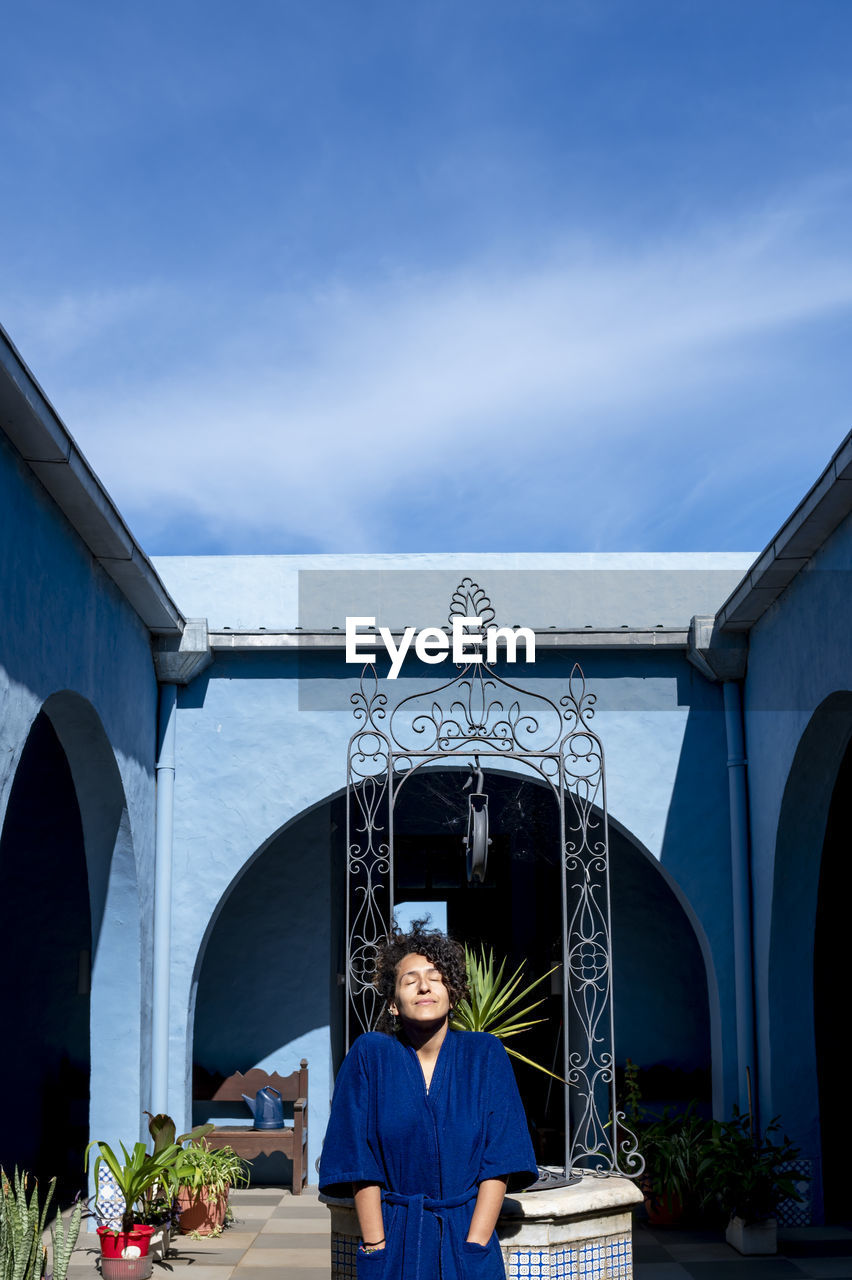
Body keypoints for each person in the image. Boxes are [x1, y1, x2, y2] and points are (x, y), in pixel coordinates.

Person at [318, 921, 537, 1279]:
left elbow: (501, 1156)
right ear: (392, 1003)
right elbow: (358, 1157)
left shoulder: (484, 1054)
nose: (423, 986)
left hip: (465, 1239)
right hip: (394, 1239)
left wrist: (476, 1242)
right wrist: (376, 1245)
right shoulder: (370, 1055)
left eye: (435, 977)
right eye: (409, 980)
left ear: (452, 991)